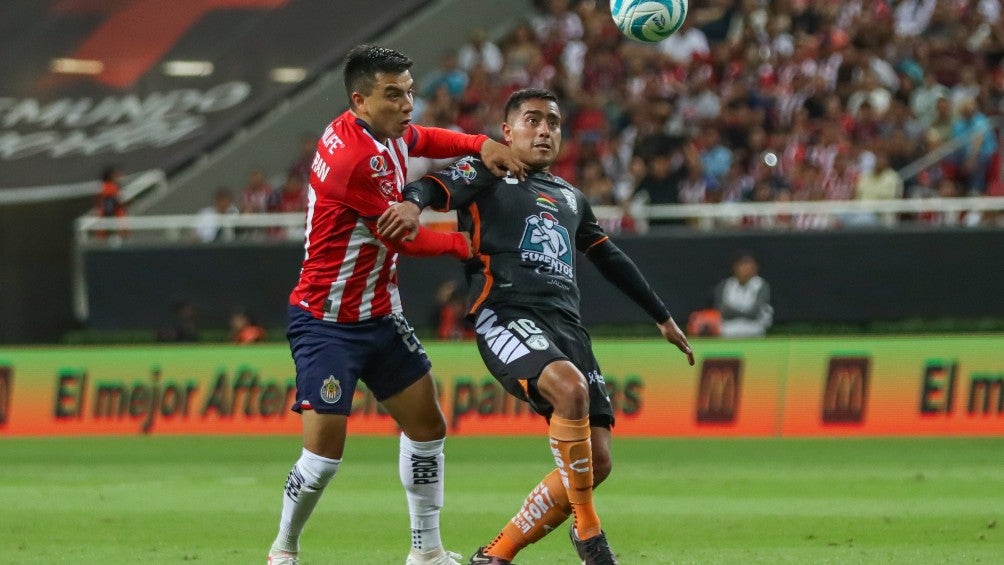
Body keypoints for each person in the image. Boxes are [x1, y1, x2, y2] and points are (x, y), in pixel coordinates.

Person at [378, 88, 694, 565]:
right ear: (508, 131)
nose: (545, 130)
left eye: (553, 122)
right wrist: (411, 204)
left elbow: (609, 257)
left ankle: (496, 554)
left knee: (597, 460)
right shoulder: (486, 172)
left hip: (568, 326)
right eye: (533, 120)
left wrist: (662, 317)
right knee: (569, 389)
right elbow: (432, 187)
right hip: (505, 312)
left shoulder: (571, 197)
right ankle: (589, 531)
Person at [266, 45, 524, 565]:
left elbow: (423, 137)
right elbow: (401, 236)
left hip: (381, 316)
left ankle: (426, 551)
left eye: (409, 91)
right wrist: (464, 245)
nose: (407, 104)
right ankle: (283, 549)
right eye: (393, 95)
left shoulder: (376, 132)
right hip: (327, 321)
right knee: (323, 458)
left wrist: (479, 143)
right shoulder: (355, 159)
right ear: (359, 100)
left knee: (427, 428)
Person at [713, 252, 773, 338]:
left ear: (755, 268)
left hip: (754, 328)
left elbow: (754, 312)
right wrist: (745, 311)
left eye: (749, 266)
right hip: (729, 329)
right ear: (735, 267)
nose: (746, 269)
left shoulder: (761, 285)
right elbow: (722, 310)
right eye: (742, 265)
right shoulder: (726, 284)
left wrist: (732, 311)